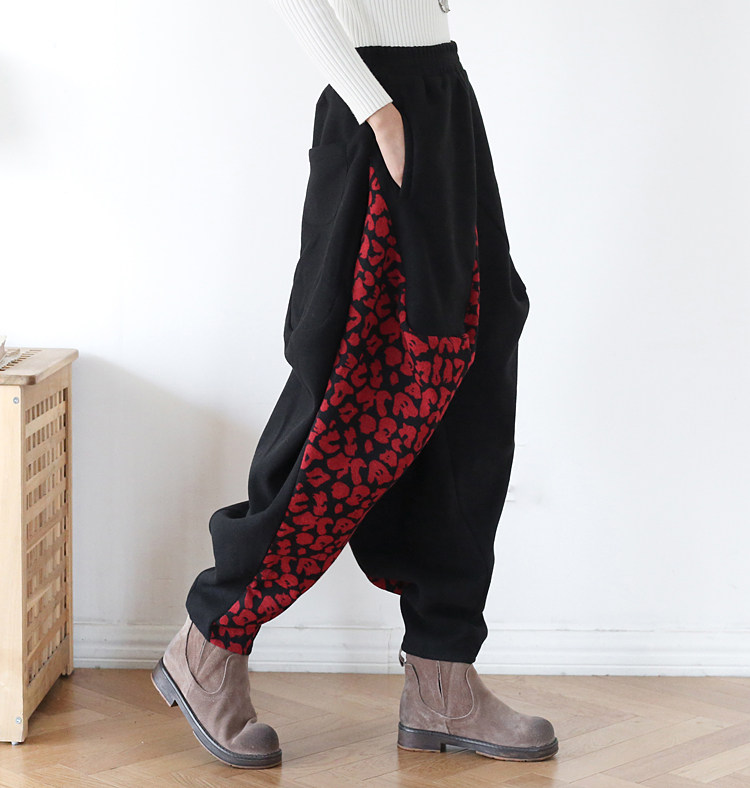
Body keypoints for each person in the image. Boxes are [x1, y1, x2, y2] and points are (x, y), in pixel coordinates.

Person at [151, 0, 558, 770]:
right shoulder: (375, 105)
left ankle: (442, 675)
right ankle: (211, 640)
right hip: (378, 107)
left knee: (471, 379)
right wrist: (374, 105)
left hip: (443, 96)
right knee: (355, 398)